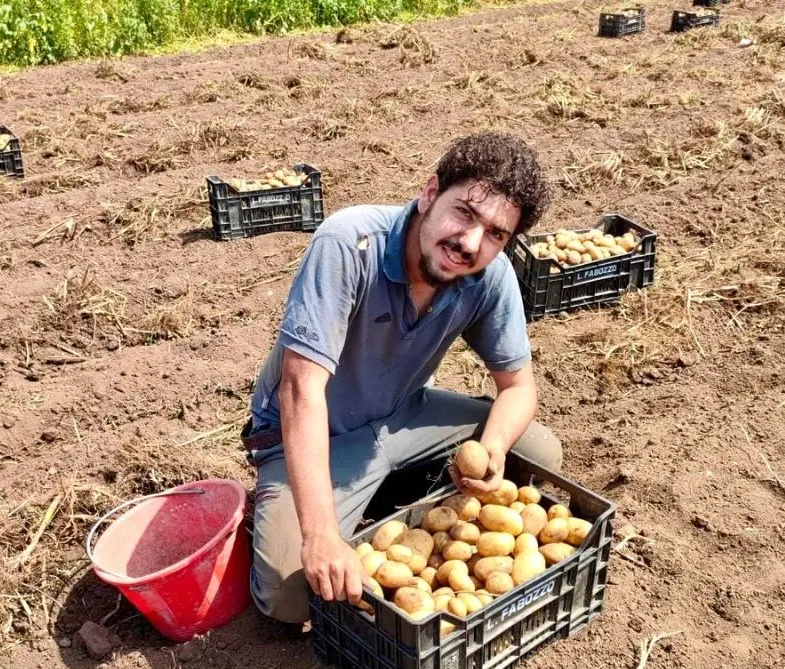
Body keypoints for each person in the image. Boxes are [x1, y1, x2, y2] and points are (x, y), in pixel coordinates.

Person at [240, 132, 564, 624]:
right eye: (465, 213)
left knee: (536, 451)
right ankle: (326, 501)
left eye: (496, 234)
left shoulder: (488, 276)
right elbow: (301, 390)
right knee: (289, 599)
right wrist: (321, 535)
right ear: (430, 193)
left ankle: (388, 488)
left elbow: (519, 388)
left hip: (402, 418)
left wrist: (493, 447)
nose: (470, 244)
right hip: (316, 436)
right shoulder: (349, 243)